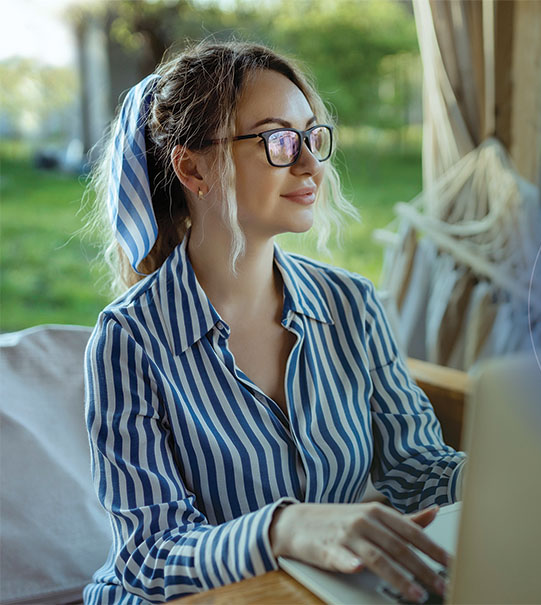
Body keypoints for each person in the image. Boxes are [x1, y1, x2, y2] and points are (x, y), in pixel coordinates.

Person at [82, 40, 466, 605]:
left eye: (311, 136)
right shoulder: (128, 340)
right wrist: (282, 529)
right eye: (278, 140)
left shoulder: (351, 304)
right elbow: (149, 555)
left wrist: (506, 478)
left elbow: (418, 469)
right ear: (192, 167)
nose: (310, 163)